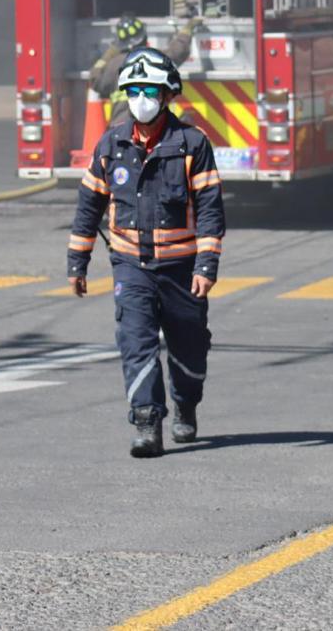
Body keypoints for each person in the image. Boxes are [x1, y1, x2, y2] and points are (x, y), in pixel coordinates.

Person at [67, 47, 225, 458]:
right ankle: (147, 422)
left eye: (149, 89)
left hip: (182, 269)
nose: (141, 98)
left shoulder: (192, 144)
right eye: (134, 89)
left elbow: (210, 208)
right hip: (131, 266)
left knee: (189, 347)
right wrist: (77, 261)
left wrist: (207, 264)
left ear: (168, 94)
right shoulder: (112, 144)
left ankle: (186, 405)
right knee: (136, 341)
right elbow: (89, 205)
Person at [89, 13, 200, 128]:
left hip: (120, 129)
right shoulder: (152, 58)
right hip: (150, 129)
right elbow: (177, 52)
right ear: (143, 37)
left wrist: (109, 53)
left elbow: (95, 80)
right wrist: (187, 30)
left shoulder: (113, 64)